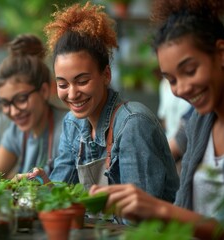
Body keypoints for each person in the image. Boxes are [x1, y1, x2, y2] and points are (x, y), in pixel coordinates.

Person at [90, 0, 224, 238]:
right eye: (171, 79)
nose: (181, 88)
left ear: (221, 54)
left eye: (190, 70)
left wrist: (158, 209)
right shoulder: (198, 124)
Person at [26, 2, 179, 203]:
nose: (72, 94)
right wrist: (44, 185)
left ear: (106, 75)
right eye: (63, 84)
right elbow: (60, 198)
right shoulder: (72, 124)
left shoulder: (132, 124)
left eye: (82, 81)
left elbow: (140, 217)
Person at [0, 34, 68, 178]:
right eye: (5, 103)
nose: (13, 111)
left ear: (44, 91)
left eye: (21, 99)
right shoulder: (16, 132)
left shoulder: (68, 129)